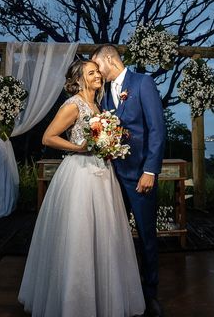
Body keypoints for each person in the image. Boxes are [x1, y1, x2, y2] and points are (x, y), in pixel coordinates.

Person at [18, 59, 145, 317]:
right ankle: (75, 304)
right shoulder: (73, 104)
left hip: (103, 174)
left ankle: (102, 300)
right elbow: (48, 137)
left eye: (98, 71)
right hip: (80, 175)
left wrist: (112, 145)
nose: (98, 75)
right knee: (80, 235)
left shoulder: (99, 106)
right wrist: (79, 148)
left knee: (105, 234)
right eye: (92, 72)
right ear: (78, 80)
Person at [92, 45, 166, 317]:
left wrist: (150, 170)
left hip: (139, 177)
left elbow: (157, 128)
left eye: (97, 66)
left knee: (146, 235)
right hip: (112, 177)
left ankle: (150, 293)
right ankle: (121, 290)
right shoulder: (104, 95)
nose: (97, 73)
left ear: (109, 59)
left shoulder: (142, 83)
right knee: (115, 236)